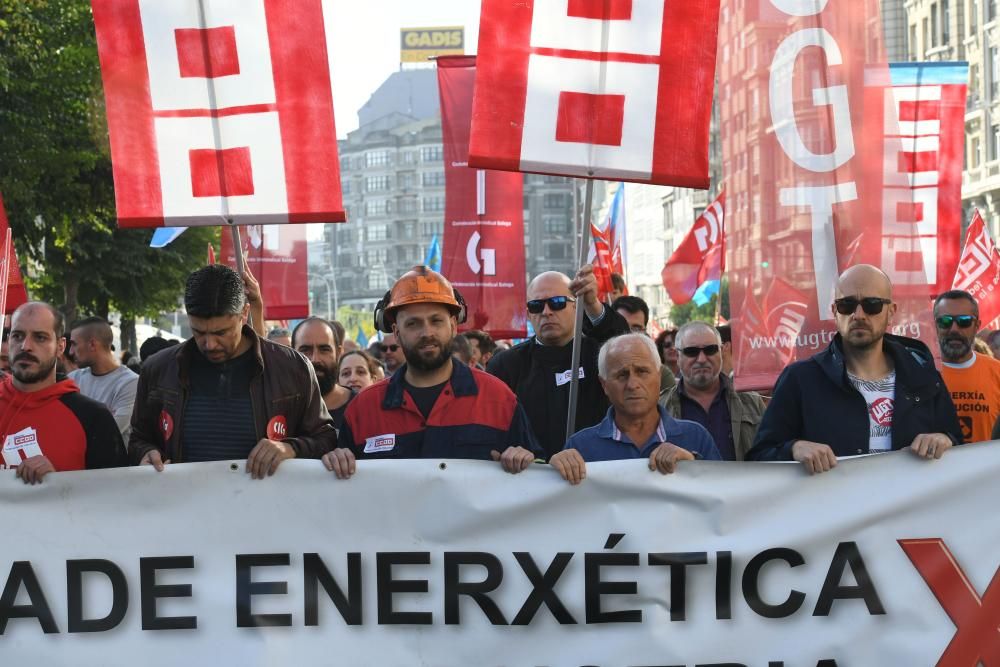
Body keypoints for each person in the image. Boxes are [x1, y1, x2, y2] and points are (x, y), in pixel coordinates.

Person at [323, 266, 540, 479]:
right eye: (413, 323)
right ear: (396, 333)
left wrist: (527, 459)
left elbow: (539, 477)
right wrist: (337, 460)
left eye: (436, 321)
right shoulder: (364, 408)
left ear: (454, 325)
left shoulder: (498, 398)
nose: (427, 333)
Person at [748, 265, 962, 474]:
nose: (858, 314)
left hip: (912, 509)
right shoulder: (800, 379)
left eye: (872, 305)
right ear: (834, 311)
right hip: (833, 509)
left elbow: (961, 452)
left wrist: (945, 440)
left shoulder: (924, 378)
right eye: (846, 305)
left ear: (891, 311)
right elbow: (759, 457)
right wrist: (794, 448)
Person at [129, 265, 336, 478]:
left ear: (244, 313)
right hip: (183, 505)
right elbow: (138, 439)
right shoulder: (159, 369)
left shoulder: (293, 368)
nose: (209, 344)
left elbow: (325, 438)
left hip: (267, 506)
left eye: (221, 332)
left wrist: (290, 448)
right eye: (198, 332)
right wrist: (146, 454)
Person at [487, 264, 630, 458]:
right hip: (532, 477)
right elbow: (491, 427)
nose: (546, 312)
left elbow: (625, 348)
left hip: (594, 474)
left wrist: (593, 305)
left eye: (557, 302)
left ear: (576, 306)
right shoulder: (505, 365)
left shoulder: (597, 355)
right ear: (528, 314)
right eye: (536, 306)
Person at [549, 333, 720, 484]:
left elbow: (723, 497)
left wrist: (693, 466)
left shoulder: (696, 437)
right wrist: (555, 471)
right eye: (621, 375)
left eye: (642, 372)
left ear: (659, 377)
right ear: (604, 385)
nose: (632, 384)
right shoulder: (581, 446)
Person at [0, 302, 127, 484]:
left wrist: (60, 483)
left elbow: (115, 496)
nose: (25, 346)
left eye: (40, 338)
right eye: (17, 336)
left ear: (60, 347)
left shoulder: (93, 417)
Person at [659, 321, 765, 461]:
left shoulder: (752, 402)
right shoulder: (660, 407)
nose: (702, 359)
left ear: (721, 352)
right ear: (678, 357)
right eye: (691, 352)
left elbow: (770, 450)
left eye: (710, 350)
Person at [934, 290, 1000, 444]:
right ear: (935, 325)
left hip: (987, 468)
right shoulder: (918, 372)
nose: (954, 329)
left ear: (977, 325)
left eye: (964, 321)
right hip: (935, 467)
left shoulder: (997, 372)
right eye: (945, 321)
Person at [67, 316, 139, 442]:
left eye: (74, 344)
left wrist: (78, 419)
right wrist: (102, 416)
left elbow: (109, 432)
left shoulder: (131, 383)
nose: (70, 351)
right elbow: (62, 426)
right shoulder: (72, 379)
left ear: (92, 344)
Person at [291, 317, 355, 428]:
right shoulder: (279, 408)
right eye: (305, 350)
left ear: (338, 353)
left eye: (324, 349)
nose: (315, 359)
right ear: (291, 353)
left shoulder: (361, 407)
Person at [614, 294, 676, 392]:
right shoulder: (595, 368)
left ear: (645, 330)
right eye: (623, 326)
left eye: (636, 328)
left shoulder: (662, 375)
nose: (629, 334)